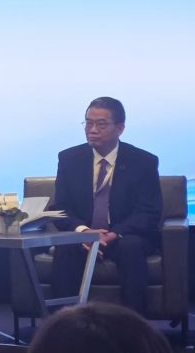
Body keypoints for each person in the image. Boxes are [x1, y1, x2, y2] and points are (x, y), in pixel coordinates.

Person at [49, 97, 161, 315]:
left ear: (120, 128)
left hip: (124, 235)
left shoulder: (143, 161)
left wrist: (113, 234)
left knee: (131, 247)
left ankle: (132, 324)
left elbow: (148, 212)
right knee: (66, 248)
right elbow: (60, 208)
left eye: (101, 124)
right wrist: (84, 232)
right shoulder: (69, 158)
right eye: (88, 123)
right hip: (84, 235)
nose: (92, 130)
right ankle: (63, 323)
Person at [28, 302, 172, 353]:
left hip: (129, 242)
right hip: (85, 244)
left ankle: (134, 312)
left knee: (130, 248)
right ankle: (61, 314)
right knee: (66, 251)